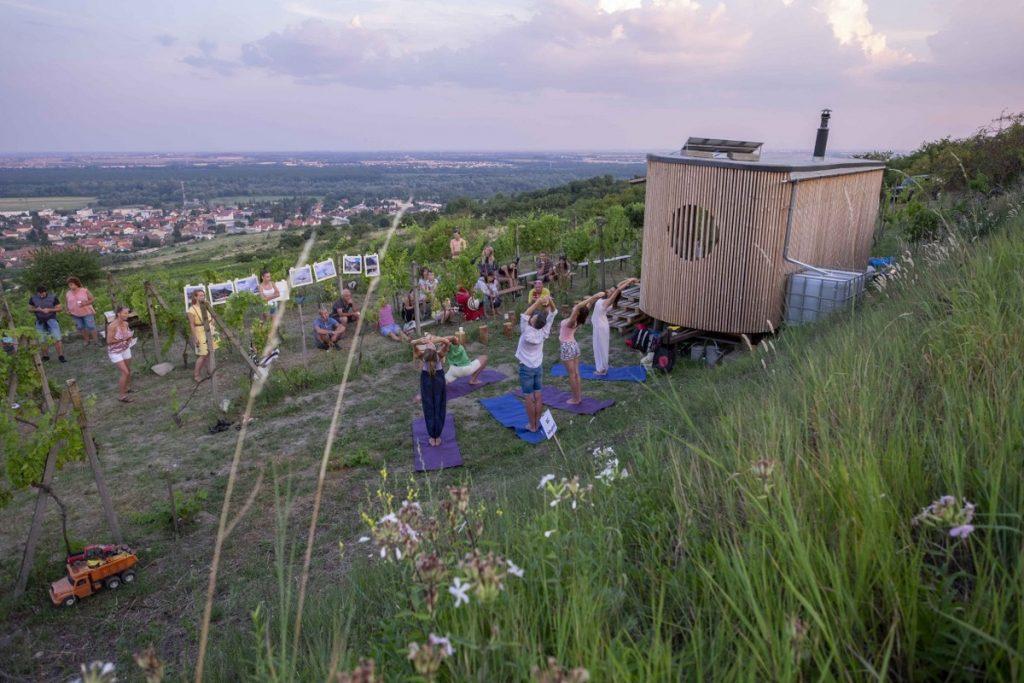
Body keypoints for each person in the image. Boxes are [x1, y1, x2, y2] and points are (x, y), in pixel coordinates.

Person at [516, 294, 557, 432]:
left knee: (528, 396)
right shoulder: (544, 331)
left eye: (533, 318)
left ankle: (532, 425)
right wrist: (549, 301)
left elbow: (524, 314)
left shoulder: (526, 331)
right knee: (538, 395)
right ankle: (537, 424)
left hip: (526, 368)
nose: (531, 317)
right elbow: (553, 312)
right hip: (538, 367)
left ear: (533, 323)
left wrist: (539, 301)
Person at [561, 293, 603, 404]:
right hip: (574, 345)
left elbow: (579, 307)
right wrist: (594, 298)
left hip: (567, 347)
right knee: (576, 373)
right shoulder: (579, 319)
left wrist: (593, 297)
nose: (574, 307)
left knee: (572, 375)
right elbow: (586, 307)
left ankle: (575, 399)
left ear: (577, 312)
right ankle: (578, 397)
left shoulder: (571, 322)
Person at [592, 277, 638, 375]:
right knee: (597, 347)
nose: (609, 291)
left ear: (614, 295)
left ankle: (602, 369)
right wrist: (628, 280)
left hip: (600, 327)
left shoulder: (608, 302)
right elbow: (617, 286)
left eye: (611, 291)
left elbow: (618, 289)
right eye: (610, 290)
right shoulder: (606, 299)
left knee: (601, 347)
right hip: (599, 325)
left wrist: (629, 282)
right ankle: (602, 367)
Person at [413, 334, 451, 446]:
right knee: (439, 405)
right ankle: (437, 436)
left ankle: (432, 436)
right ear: (434, 350)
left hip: (426, 380)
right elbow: (447, 342)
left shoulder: (423, 356)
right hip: (438, 379)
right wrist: (437, 339)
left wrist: (420, 341)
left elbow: (413, 344)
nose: (430, 341)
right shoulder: (439, 355)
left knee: (428, 406)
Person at [187, 289, 218, 383]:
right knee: (203, 354)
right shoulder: (191, 310)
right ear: (195, 297)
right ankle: (196, 374)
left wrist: (213, 320)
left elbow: (212, 315)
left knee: (210, 352)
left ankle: (210, 371)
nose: (202, 297)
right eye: (200, 295)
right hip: (200, 331)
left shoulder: (206, 305)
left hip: (210, 329)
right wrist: (195, 337)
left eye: (203, 295)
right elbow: (192, 325)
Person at [28, 285, 65, 362]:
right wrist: (36, 309)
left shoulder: (53, 297)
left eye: (43, 293)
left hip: (51, 320)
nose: (41, 295)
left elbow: (60, 308)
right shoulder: (33, 298)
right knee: (42, 339)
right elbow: (29, 309)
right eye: (39, 293)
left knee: (57, 338)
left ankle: (61, 356)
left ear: (46, 292)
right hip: (40, 321)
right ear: (37, 293)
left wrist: (50, 310)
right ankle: (45, 356)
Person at [106, 306, 135, 402]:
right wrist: (123, 339)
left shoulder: (126, 323)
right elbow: (109, 341)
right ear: (118, 314)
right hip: (115, 352)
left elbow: (127, 334)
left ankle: (127, 388)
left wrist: (129, 338)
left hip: (125, 349)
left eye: (128, 313)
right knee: (125, 372)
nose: (127, 315)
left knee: (128, 370)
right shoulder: (112, 326)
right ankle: (122, 396)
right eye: (125, 313)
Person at [65, 276, 98, 347]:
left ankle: (96, 341)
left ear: (76, 283)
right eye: (69, 284)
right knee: (80, 327)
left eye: (71, 284)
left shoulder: (84, 290)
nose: (70, 286)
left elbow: (92, 299)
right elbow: (67, 302)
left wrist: (85, 303)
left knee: (91, 326)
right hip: (75, 314)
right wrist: (67, 310)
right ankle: (86, 340)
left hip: (87, 312)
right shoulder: (68, 293)